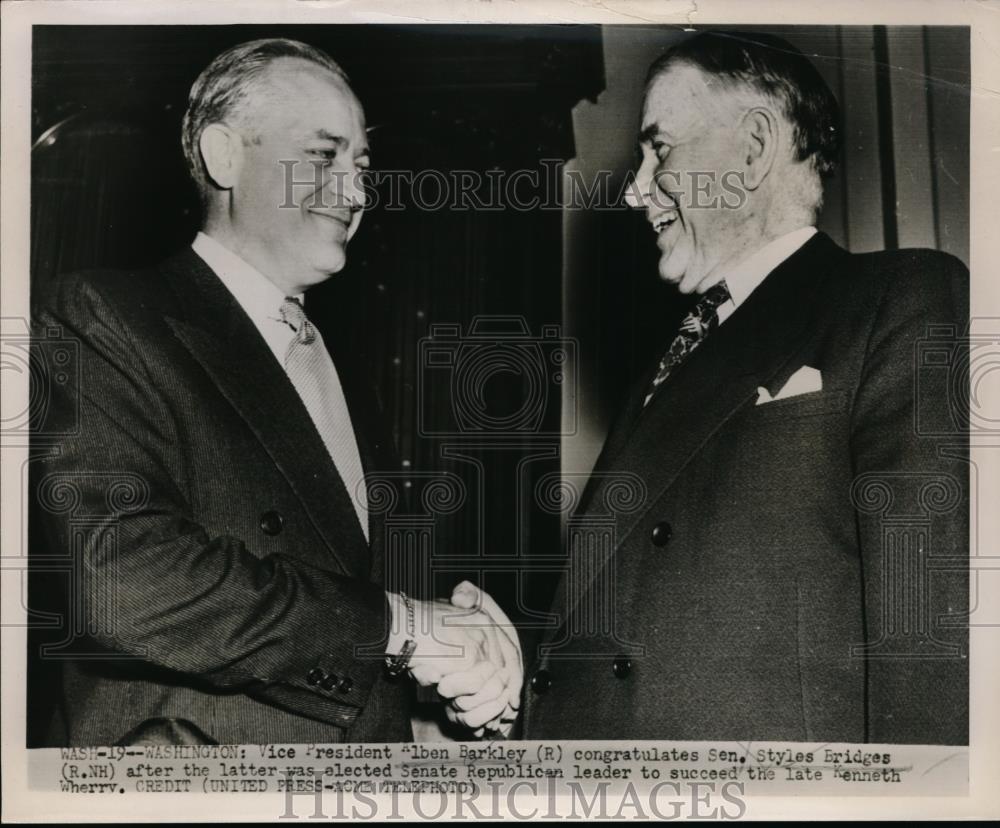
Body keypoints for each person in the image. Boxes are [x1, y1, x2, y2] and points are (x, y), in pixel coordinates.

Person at [31, 37, 519, 746]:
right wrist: (408, 628)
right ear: (224, 156)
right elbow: (121, 576)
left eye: (362, 165)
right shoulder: (102, 318)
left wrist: (457, 687)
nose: (355, 191)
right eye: (325, 156)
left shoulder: (341, 371)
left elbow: (358, 620)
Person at [523, 31, 968, 744]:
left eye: (659, 147)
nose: (637, 187)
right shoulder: (667, 361)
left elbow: (928, 630)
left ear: (755, 147)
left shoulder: (897, 297)